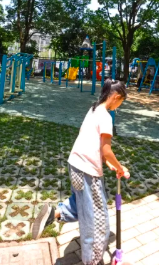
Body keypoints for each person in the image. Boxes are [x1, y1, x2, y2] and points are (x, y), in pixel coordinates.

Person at [32, 80, 130, 264]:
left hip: (75, 165)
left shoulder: (93, 110)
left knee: (81, 204)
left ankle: (54, 213)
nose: (119, 107)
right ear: (116, 97)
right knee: (97, 219)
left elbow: (93, 143)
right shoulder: (106, 117)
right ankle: (92, 260)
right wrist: (119, 167)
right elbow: (107, 150)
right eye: (121, 103)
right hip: (88, 172)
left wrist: (108, 164)